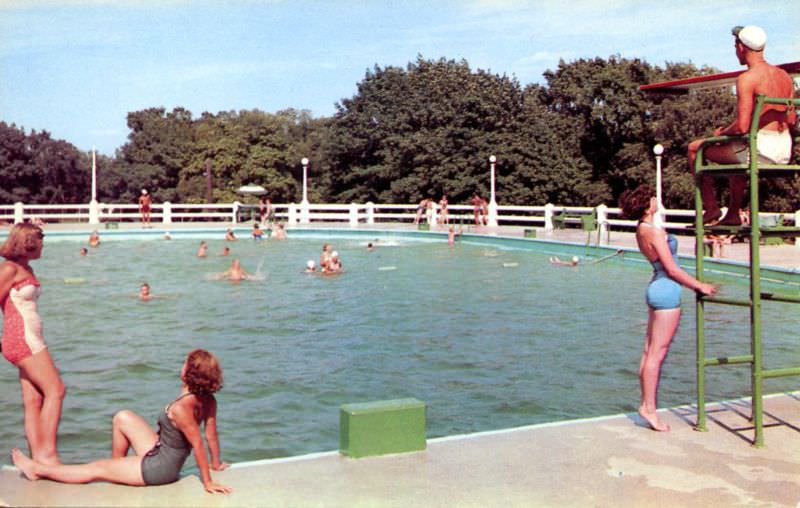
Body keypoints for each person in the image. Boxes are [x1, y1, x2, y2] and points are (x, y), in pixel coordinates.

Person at [12, 349, 231, 494]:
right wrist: (216, 463)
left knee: (95, 468)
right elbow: (211, 435)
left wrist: (208, 481)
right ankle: (119, 470)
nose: (181, 364)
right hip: (160, 451)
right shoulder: (208, 400)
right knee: (122, 417)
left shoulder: (182, 408)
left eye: (185, 362)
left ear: (189, 372)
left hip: (160, 468)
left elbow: (199, 444)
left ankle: (38, 470)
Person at [619, 185, 718, 432]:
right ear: (645, 204)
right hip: (666, 290)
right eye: (652, 197)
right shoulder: (651, 231)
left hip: (657, 287)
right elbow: (672, 269)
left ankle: (646, 404)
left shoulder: (642, 229)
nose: (655, 198)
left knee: (649, 351)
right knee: (657, 353)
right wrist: (700, 285)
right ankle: (649, 409)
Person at [688, 26, 796, 226]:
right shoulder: (784, 77)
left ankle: (711, 208)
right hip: (784, 150)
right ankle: (732, 214)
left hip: (760, 150)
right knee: (736, 152)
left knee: (695, 148)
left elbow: (742, 127)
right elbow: (791, 120)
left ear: (740, 47)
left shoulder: (747, 78)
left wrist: (720, 133)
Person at [0, 223, 66, 466]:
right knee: (56, 390)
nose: (42, 247)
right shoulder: (9, 268)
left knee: (34, 399)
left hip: (26, 338)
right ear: (27, 242)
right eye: (40, 242)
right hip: (23, 339)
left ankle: (37, 458)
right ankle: (47, 456)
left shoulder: (25, 268)